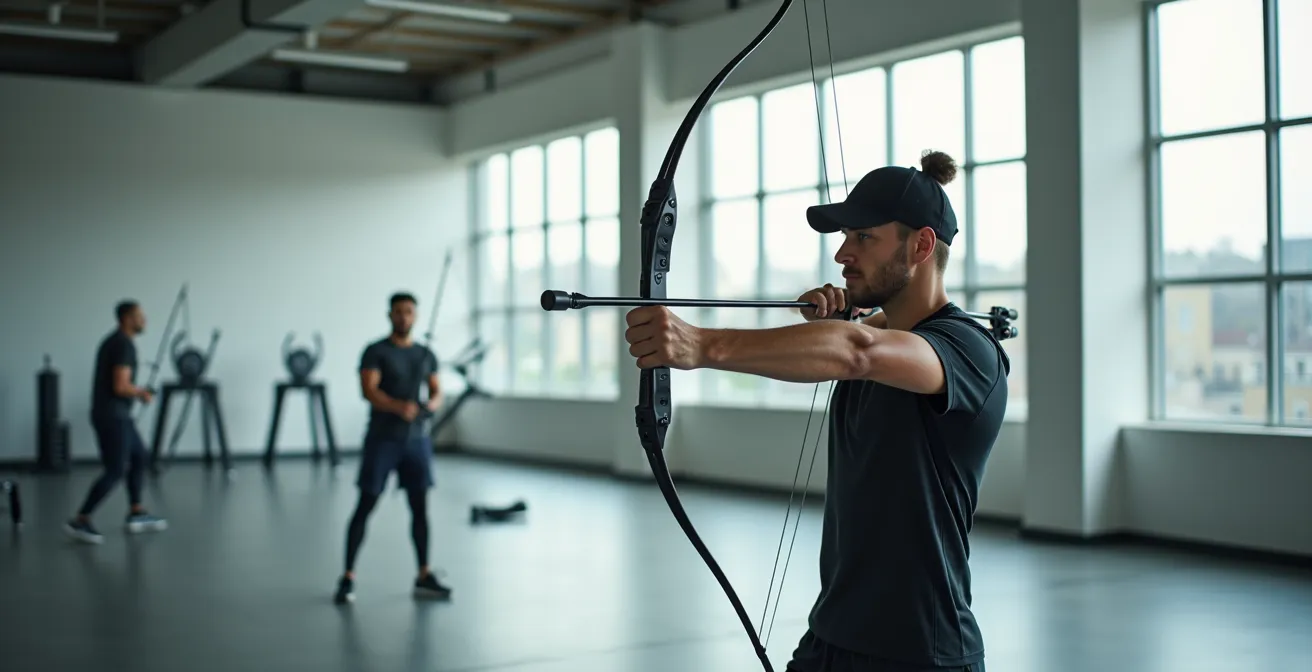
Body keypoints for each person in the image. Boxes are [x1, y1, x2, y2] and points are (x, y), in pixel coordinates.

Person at [623, 150, 1006, 672]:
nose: (842, 254)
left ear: (920, 245)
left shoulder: (967, 349)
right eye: (844, 238)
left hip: (921, 653)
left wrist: (702, 346)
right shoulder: (877, 329)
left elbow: (857, 353)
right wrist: (845, 315)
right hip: (830, 640)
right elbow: (857, 339)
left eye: (863, 238)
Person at [334, 292, 450, 605]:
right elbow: (368, 390)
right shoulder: (376, 351)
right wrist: (399, 407)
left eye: (409, 312)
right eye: (398, 312)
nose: (403, 317)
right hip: (383, 439)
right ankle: (347, 577)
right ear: (390, 315)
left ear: (416, 316)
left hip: (416, 441)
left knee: (420, 508)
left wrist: (428, 406)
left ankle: (423, 574)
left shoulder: (426, 354)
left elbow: (438, 392)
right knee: (366, 504)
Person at [64, 300, 169, 544]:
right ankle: (81, 519)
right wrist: (142, 393)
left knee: (140, 456)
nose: (144, 320)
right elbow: (120, 386)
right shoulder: (123, 345)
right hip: (113, 416)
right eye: (139, 316)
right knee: (116, 469)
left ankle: (136, 512)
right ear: (126, 318)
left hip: (117, 414)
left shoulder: (116, 342)